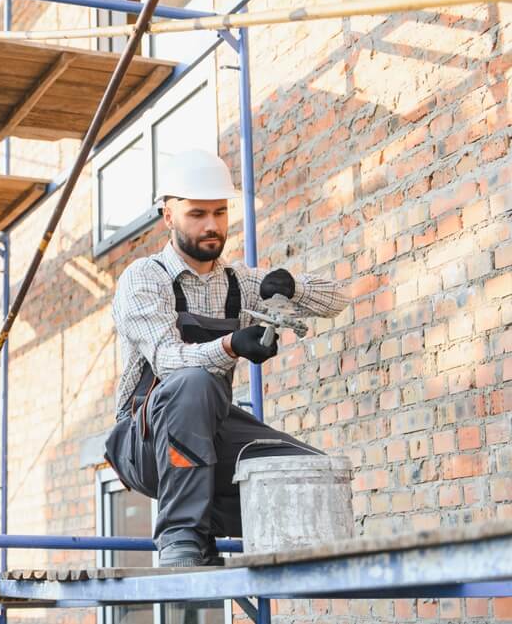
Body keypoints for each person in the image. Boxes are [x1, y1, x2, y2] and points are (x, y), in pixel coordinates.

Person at [104, 149, 348, 567]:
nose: (212, 226)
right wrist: (232, 345)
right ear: (168, 216)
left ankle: (208, 528)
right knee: (193, 383)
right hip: (144, 439)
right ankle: (180, 536)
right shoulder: (144, 278)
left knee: (308, 476)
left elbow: (338, 298)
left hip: (210, 431)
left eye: (220, 212)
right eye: (197, 214)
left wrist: (290, 286)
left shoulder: (238, 282)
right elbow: (168, 361)